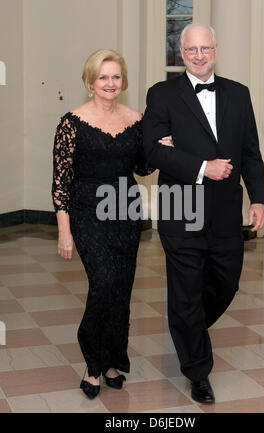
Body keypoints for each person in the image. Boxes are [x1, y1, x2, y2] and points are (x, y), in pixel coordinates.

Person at [143, 24, 264, 404]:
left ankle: (188, 327)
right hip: (181, 211)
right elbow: (152, 152)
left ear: (216, 49)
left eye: (205, 49)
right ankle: (198, 371)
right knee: (185, 292)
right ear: (181, 53)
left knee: (226, 284)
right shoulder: (161, 94)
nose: (199, 55)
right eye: (191, 49)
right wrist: (202, 167)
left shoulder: (239, 94)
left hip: (227, 213)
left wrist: (259, 199)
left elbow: (250, 152)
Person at [52, 49, 172, 399]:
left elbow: (141, 168)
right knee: (104, 282)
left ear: (123, 81)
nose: (110, 83)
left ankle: (112, 360)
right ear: (90, 81)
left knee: (121, 288)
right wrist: (64, 231)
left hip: (126, 211)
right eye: (103, 77)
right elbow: (60, 183)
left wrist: (158, 148)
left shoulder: (136, 119)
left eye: (116, 77)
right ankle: (92, 360)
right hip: (88, 211)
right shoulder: (71, 124)